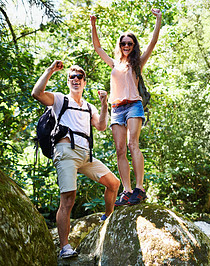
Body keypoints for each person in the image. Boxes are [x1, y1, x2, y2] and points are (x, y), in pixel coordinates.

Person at [31, 61, 120, 259]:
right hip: (66, 152)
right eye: (72, 77)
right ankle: (65, 247)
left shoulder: (89, 107)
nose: (76, 79)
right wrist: (50, 70)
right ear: (68, 81)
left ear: (84, 82)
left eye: (80, 77)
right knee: (68, 198)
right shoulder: (60, 100)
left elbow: (101, 126)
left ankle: (107, 217)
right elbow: (37, 93)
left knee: (113, 183)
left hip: (86, 155)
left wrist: (104, 104)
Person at [90, 8, 162, 206]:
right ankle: (127, 190)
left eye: (130, 43)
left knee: (133, 145)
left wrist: (158, 19)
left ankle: (139, 188)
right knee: (120, 150)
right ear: (120, 45)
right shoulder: (114, 64)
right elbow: (97, 48)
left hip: (133, 106)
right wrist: (93, 24)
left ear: (134, 45)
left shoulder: (137, 62)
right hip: (116, 109)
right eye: (123, 43)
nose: (126, 46)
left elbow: (153, 42)